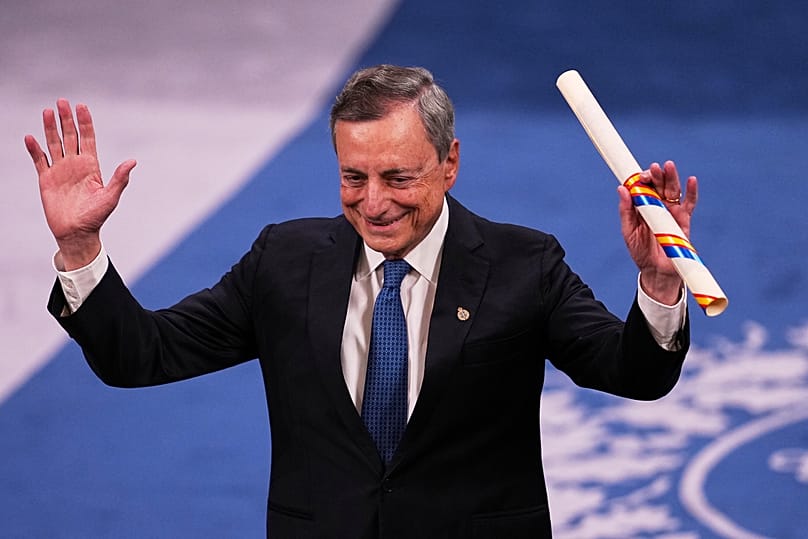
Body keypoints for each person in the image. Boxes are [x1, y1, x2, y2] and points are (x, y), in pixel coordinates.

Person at [26, 65, 693, 538]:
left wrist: (659, 283)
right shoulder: (283, 262)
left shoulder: (524, 264)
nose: (373, 203)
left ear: (450, 161)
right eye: (354, 177)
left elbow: (633, 372)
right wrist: (82, 247)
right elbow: (139, 355)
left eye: (398, 177)